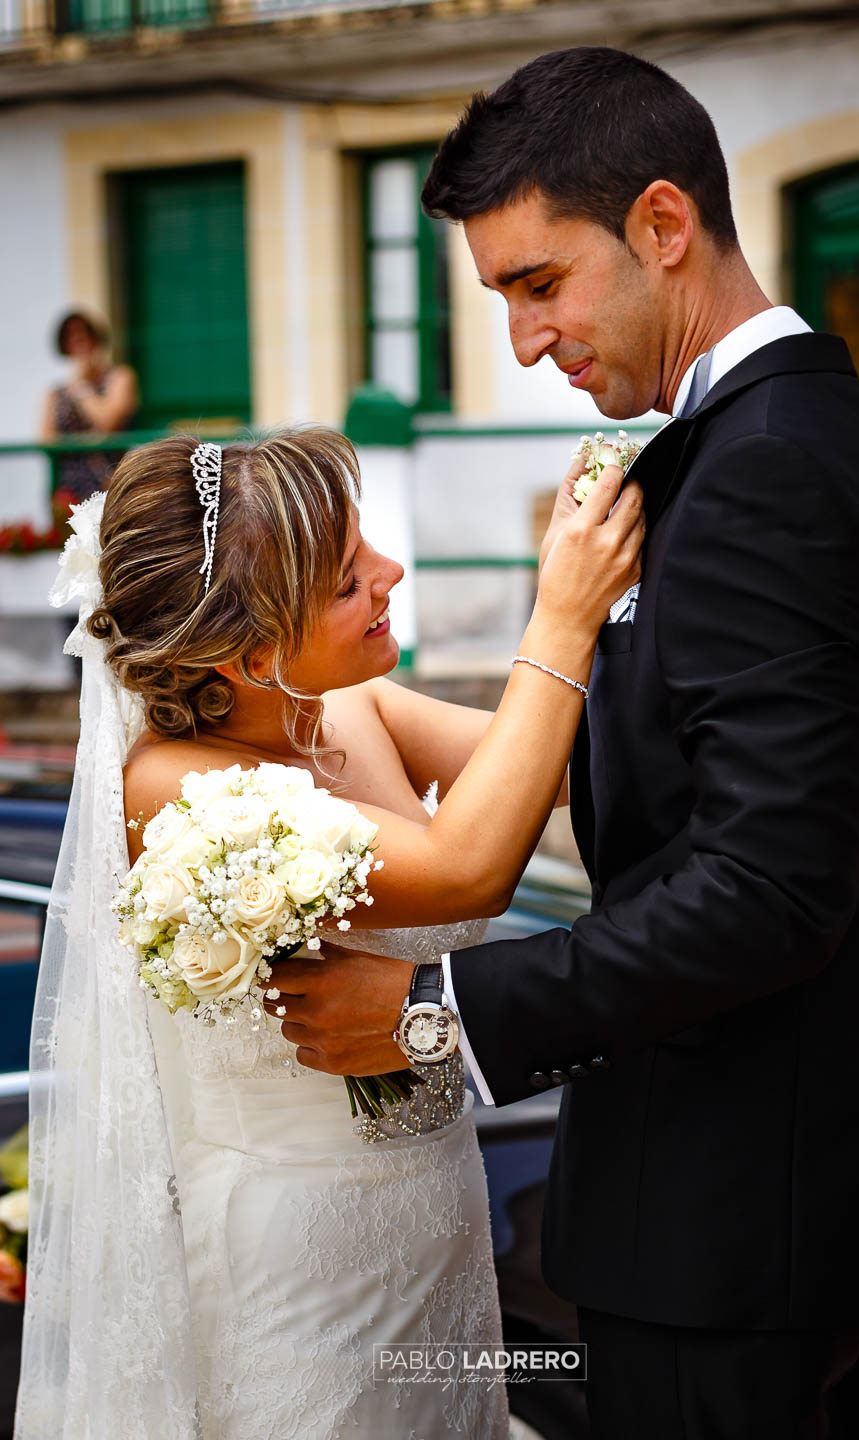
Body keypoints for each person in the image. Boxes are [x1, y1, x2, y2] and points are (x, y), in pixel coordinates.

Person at [269, 47, 859, 1439]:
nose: (526, 342)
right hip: (828, 1213)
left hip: (735, 1244)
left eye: (540, 284)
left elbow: (770, 882)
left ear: (662, 223)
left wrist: (440, 1020)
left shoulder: (760, 471)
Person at [15, 427, 644, 1438]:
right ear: (254, 651)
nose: (393, 575)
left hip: (437, 1216)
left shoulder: (346, 703)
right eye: (351, 581)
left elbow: (562, 769)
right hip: (300, 1264)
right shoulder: (178, 790)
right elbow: (468, 866)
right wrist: (558, 616)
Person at [39, 309, 138, 499]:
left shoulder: (119, 378)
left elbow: (108, 422)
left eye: (84, 333)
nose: (78, 340)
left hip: (108, 483)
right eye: (70, 336)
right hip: (68, 489)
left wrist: (82, 387)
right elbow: (46, 440)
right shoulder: (56, 393)